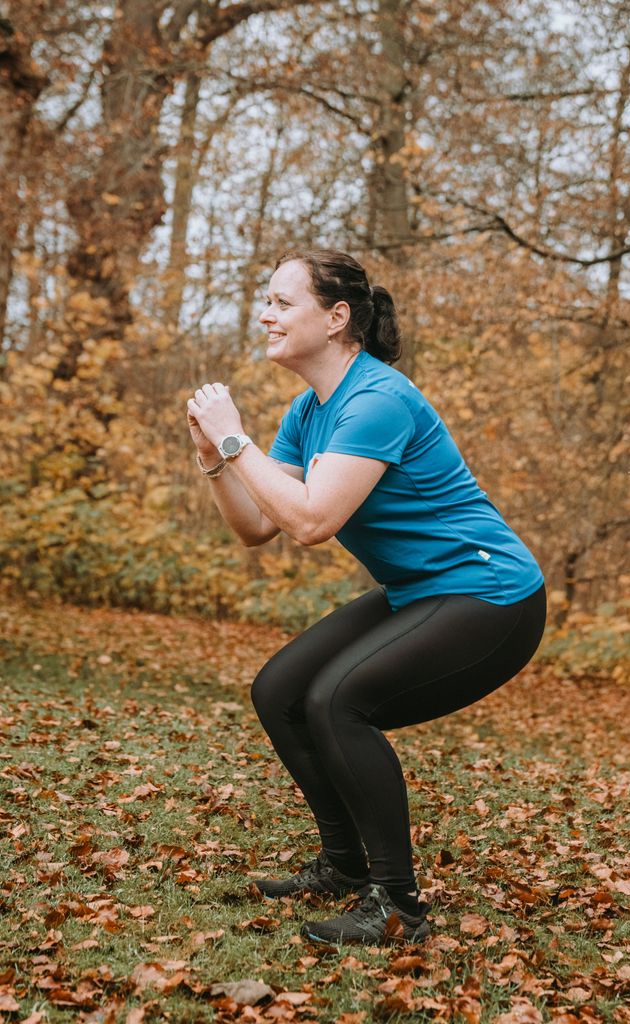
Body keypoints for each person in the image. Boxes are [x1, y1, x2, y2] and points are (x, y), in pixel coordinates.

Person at [186, 249, 546, 946]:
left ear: (337, 317)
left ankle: (398, 906)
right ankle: (346, 867)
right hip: (421, 590)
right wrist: (213, 457)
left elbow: (314, 523)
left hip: (491, 593)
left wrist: (236, 437)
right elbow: (259, 526)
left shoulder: (377, 400)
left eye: (283, 303)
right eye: (268, 301)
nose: (266, 314)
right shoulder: (308, 410)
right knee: (280, 691)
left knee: (337, 701)